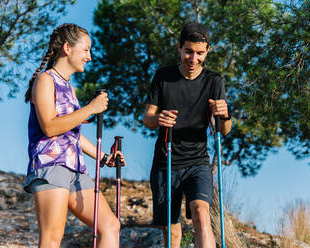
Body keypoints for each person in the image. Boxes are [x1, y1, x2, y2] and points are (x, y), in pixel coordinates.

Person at [23, 23, 125, 248]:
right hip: (51, 165)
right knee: (52, 238)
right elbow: (49, 127)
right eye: (86, 49)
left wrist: (103, 157)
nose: (89, 56)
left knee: (110, 226)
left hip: (76, 168)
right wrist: (90, 108)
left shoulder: (69, 88)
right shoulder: (45, 80)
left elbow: (73, 135)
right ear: (68, 48)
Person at [143, 22, 232, 247]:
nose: (193, 59)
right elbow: (148, 118)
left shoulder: (214, 81)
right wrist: (159, 119)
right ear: (179, 47)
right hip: (166, 162)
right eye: (188, 52)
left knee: (201, 214)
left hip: (197, 162)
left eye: (200, 53)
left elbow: (223, 129)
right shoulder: (163, 77)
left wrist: (225, 115)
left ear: (207, 51)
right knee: (172, 234)